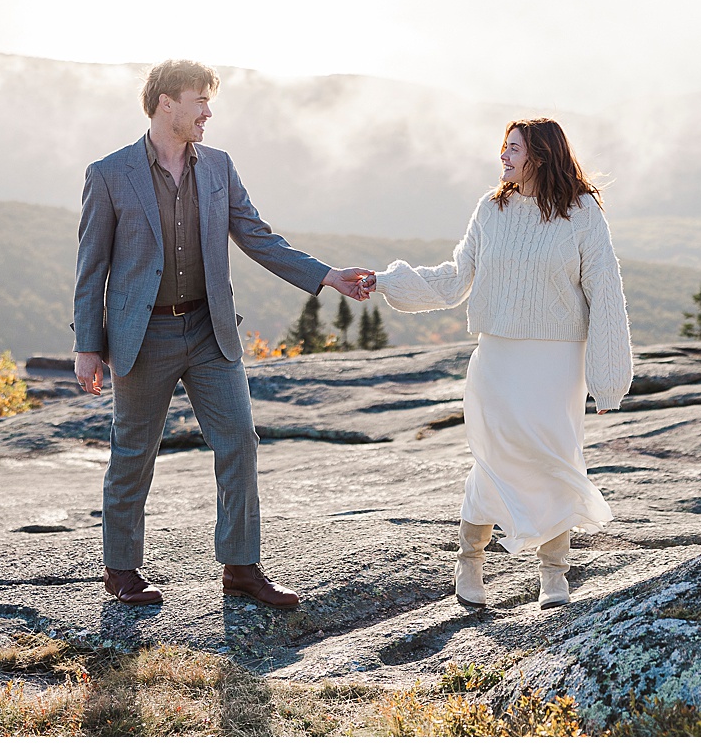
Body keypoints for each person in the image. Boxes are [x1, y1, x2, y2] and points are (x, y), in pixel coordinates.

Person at [74, 58, 375, 608]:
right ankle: (121, 571)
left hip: (211, 331)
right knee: (133, 452)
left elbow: (258, 237)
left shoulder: (218, 166)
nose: (208, 113)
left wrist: (326, 276)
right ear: (168, 103)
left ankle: (240, 568)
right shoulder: (110, 174)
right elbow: (91, 268)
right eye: (200, 101)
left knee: (239, 442)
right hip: (143, 338)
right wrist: (88, 347)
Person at [369, 118, 632, 610]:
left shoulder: (582, 213)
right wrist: (387, 281)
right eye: (503, 148)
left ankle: (554, 573)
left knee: (557, 459)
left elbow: (605, 293)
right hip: (498, 357)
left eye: (514, 149)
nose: (504, 157)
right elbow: (454, 279)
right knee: (494, 459)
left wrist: (607, 378)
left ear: (541, 154)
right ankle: (469, 561)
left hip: (556, 360)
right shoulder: (491, 210)